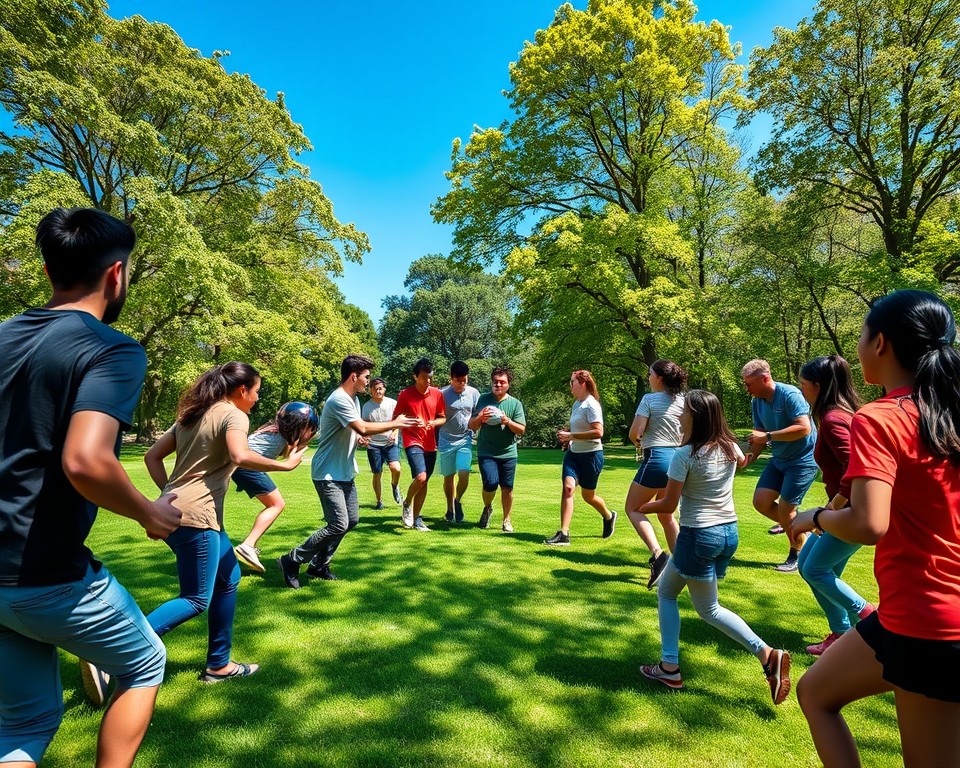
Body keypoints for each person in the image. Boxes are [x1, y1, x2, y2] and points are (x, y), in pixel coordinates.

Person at [0, 208, 181, 767]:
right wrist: (150, 512)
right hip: (44, 573)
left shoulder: (4, 335)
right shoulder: (112, 349)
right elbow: (86, 460)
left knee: (27, 719)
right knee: (144, 662)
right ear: (116, 274)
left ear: (50, 268)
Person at [793, 290, 960, 768]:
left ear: (880, 342)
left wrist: (816, 517)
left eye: (862, 334)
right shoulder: (947, 414)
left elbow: (868, 522)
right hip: (908, 614)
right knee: (816, 691)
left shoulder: (881, 417)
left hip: (931, 622)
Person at [143, 362, 306, 683]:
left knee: (229, 577)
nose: (258, 399)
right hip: (197, 517)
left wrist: (167, 494)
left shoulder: (191, 415)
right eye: (256, 391)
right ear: (242, 390)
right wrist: (285, 465)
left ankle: (219, 664)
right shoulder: (233, 414)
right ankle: (117, 647)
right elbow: (240, 456)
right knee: (195, 598)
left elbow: (151, 457)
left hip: (177, 512)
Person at [637, 390, 791, 706]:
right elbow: (744, 463)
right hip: (728, 535)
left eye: (683, 412)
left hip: (698, 537)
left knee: (696, 605)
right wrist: (758, 450)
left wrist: (640, 507)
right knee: (677, 593)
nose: (678, 416)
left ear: (695, 416)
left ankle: (764, 654)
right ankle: (670, 667)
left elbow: (668, 502)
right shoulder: (729, 447)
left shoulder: (685, 456)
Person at [278, 355, 418, 587]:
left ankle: (319, 565)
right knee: (338, 523)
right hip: (327, 473)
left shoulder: (353, 400)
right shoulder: (339, 399)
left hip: (344, 470)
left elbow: (354, 429)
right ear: (354, 376)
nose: (368, 381)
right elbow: (361, 425)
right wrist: (396, 423)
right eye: (366, 377)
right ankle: (292, 559)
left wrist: (359, 437)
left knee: (351, 519)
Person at [795, 356, 874, 656]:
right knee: (808, 565)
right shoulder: (841, 414)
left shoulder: (832, 419)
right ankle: (842, 632)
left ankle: (869, 616)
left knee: (815, 569)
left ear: (817, 386)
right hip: (844, 509)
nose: (802, 391)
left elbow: (856, 467)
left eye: (803, 385)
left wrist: (830, 509)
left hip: (853, 511)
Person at [742, 358, 818, 572]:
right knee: (761, 502)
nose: (747, 389)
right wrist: (749, 459)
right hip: (779, 459)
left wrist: (767, 437)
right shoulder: (756, 401)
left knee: (786, 509)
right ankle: (802, 523)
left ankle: (796, 554)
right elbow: (758, 435)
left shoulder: (789, 395)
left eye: (749, 384)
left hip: (802, 460)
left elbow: (803, 428)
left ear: (765, 378)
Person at [232, 402, 320, 573]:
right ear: (297, 426)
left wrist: (299, 443)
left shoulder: (276, 432)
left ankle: (248, 545)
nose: (310, 432)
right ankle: (248, 545)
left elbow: (288, 450)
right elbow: (286, 456)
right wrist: (299, 449)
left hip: (244, 467)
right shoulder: (277, 438)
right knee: (276, 504)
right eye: (308, 428)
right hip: (247, 466)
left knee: (275, 504)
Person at [625, 359, 687, 588]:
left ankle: (658, 554)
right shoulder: (684, 400)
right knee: (666, 514)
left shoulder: (649, 399)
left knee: (632, 508)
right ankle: (683, 564)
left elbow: (634, 433)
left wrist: (639, 440)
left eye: (650, 374)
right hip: (679, 461)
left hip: (657, 458)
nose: (649, 377)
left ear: (659, 378)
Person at [544, 370, 617, 545]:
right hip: (573, 455)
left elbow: (599, 432)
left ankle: (608, 516)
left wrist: (571, 436)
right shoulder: (577, 403)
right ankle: (564, 534)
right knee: (568, 488)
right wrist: (567, 437)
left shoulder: (592, 405)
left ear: (583, 383)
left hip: (591, 456)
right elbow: (575, 428)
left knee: (588, 496)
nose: (570, 386)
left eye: (572, 382)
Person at [469, 367, 527, 532]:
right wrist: (480, 417)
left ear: (508, 384)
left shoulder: (515, 404)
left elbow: (521, 429)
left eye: (502, 382)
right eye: (495, 382)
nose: (498, 385)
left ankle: (506, 520)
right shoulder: (483, 399)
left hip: (508, 452)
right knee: (490, 483)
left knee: (507, 487)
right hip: (486, 451)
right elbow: (472, 426)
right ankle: (487, 508)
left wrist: (507, 421)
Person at [395, 358, 446, 531]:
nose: (428, 380)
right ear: (415, 377)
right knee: (421, 477)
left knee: (424, 482)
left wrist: (433, 422)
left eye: (430, 377)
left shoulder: (437, 394)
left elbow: (443, 417)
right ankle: (407, 503)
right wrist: (407, 423)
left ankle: (416, 519)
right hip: (412, 441)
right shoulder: (405, 395)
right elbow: (396, 418)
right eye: (425, 377)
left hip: (430, 443)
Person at [438, 361, 481, 524]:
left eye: (464, 380)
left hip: (465, 439)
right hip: (446, 439)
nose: (461, 384)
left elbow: (478, 414)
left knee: (464, 473)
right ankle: (450, 508)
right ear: (451, 378)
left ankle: (458, 500)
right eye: (458, 380)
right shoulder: (442, 394)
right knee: (448, 477)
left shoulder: (474, 393)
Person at [360, 378, 403, 510]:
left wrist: (394, 433)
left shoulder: (392, 403)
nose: (378, 391)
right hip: (374, 444)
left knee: (396, 468)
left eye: (380, 388)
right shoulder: (367, 406)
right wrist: (365, 437)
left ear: (384, 389)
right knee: (377, 473)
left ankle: (394, 485)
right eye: (375, 389)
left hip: (390, 443)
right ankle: (379, 501)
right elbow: (364, 426)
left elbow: (398, 421)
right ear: (371, 390)